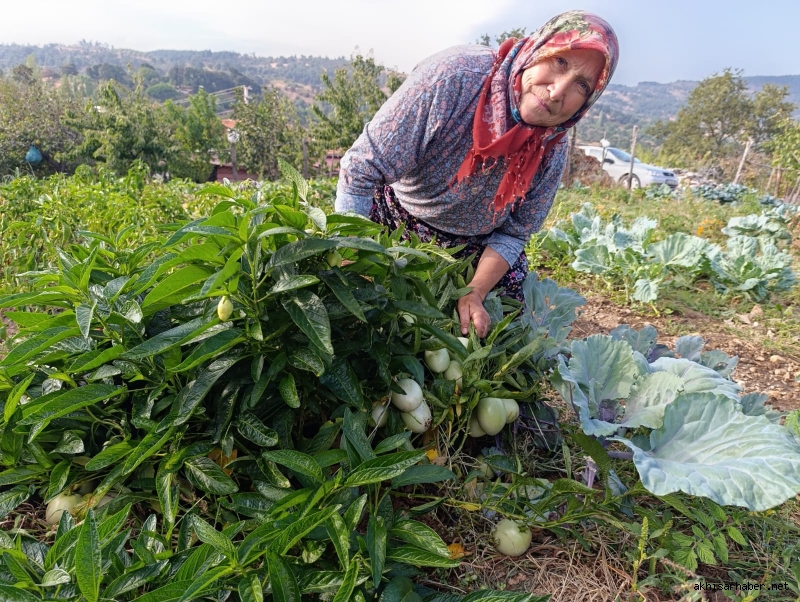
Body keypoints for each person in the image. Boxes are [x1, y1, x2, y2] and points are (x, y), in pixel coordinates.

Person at [335, 11, 619, 337]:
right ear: (538, 49)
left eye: (582, 85)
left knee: (499, 334)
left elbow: (514, 233)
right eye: (560, 62)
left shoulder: (551, 147)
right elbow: (360, 170)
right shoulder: (454, 80)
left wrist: (475, 291)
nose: (557, 92)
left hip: (475, 248)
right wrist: (353, 259)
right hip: (396, 220)